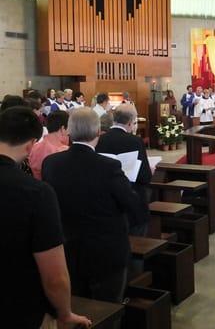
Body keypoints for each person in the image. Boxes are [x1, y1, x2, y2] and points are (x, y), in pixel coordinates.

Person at [0, 106, 91, 329]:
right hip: (19, 311)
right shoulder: (36, 193)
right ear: (31, 144)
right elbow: (55, 276)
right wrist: (65, 313)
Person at [42, 108, 143, 306]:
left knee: (78, 303)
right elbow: (132, 204)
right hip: (105, 250)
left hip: (68, 246)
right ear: (98, 132)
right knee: (108, 306)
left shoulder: (51, 163)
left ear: (68, 132)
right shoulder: (108, 166)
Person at [96, 104, 151, 236]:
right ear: (130, 122)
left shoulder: (99, 140)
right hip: (132, 199)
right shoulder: (135, 141)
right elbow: (144, 176)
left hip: (106, 199)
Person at [29, 111, 70, 180]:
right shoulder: (65, 152)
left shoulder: (33, 147)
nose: (69, 132)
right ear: (63, 129)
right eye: (69, 129)